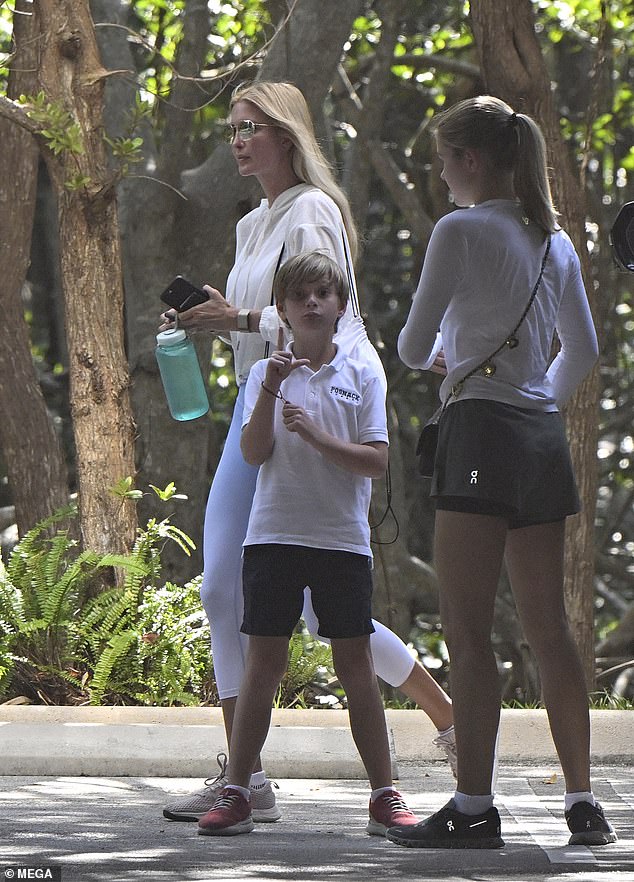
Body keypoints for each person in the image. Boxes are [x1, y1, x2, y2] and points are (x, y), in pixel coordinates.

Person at [161, 81, 456, 824]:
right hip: (257, 400)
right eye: (231, 127)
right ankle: (250, 772)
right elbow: (256, 325)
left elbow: (326, 312)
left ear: (287, 136)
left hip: (314, 405)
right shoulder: (252, 222)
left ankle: (255, 769)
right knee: (236, 591)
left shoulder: (313, 210)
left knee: (311, 606)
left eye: (250, 127)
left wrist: (244, 315)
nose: (236, 139)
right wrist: (212, 318)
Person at [387, 95, 617, 849]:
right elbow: (581, 352)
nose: (441, 176)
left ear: (471, 161)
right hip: (539, 436)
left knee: (469, 629)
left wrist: (469, 371)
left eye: (443, 162)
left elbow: (415, 346)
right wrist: (531, 401)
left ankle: (475, 808)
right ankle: (583, 802)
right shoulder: (556, 242)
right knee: (550, 628)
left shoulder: (460, 230)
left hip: (480, 431)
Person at [197, 250, 419, 837]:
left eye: (323, 293)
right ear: (282, 310)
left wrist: (317, 435)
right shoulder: (263, 375)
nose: (312, 303)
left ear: (340, 304)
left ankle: (385, 794)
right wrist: (270, 391)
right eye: (300, 296)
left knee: (356, 665)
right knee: (263, 665)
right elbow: (253, 453)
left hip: (342, 541)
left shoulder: (363, 371)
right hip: (272, 535)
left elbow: (375, 462)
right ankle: (239, 791)